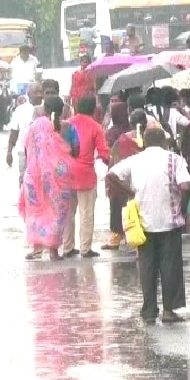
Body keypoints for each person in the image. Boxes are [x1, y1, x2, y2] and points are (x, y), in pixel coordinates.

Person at [105, 126, 190, 323]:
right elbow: (185, 186)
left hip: (143, 222)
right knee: (170, 267)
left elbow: (110, 175)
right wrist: (182, 209)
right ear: (163, 142)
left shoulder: (136, 160)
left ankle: (149, 311)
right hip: (169, 221)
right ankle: (169, 311)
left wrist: (129, 191)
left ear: (145, 141)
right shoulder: (174, 159)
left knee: (147, 266)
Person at [19, 96, 78, 261]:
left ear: (44, 109)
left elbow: (25, 149)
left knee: (37, 211)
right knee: (57, 212)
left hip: (34, 176)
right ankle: (53, 251)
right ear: (62, 110)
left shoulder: (34, 126)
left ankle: (36, 248)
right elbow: (76, 150)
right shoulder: (67, 127)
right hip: (59, 177)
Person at [62, 95, 110, 258]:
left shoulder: (67, 124)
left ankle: (67, 247)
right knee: (86, 212)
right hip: (85, 175)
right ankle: (85, 248)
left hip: (66, 173)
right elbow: (104, 152)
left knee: (68, 212)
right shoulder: (95, 127)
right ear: (93, 109)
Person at [101, 104, 141, 250]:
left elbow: (112, 159)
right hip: (140, 180)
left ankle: (116, 237)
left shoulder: (117, 136)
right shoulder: (149, 135)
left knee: (117, 206)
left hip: (121, 180)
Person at [6, 84, 44, 187]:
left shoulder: (47, 108)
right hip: (25, 152)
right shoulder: (20, 110)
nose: (39, 95)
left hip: (44, 153)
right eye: (36, 92)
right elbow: (14, 132)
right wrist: (9, 152)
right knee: (25, 182)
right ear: (29, 94)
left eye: (41, 92)